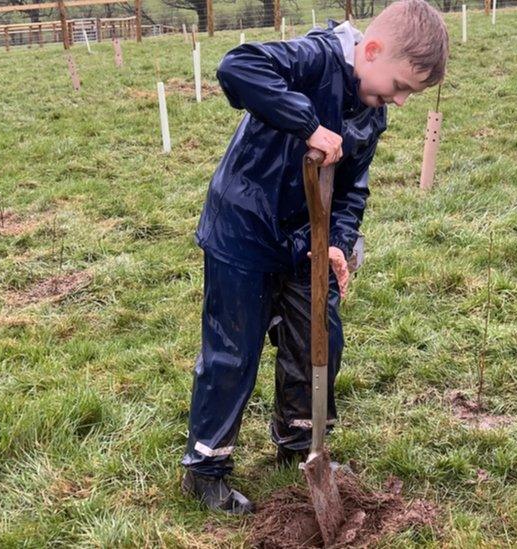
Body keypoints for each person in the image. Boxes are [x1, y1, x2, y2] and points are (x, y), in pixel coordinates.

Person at [180, 0, 449, 515]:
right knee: (232, 352)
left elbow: (351, 191)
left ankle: (301, 442)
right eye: (397, 87)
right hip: (243, 228)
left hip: (306, 239)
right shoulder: (315, 59)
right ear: (370, 50)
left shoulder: (372, 114)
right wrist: (307, 123)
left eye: (408, 94)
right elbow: (237, 68)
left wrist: (338, 243)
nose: (399, 101)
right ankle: (206, 468)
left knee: (317, 340)